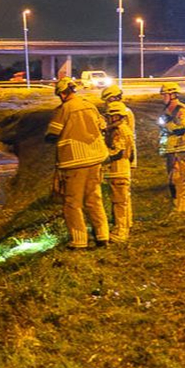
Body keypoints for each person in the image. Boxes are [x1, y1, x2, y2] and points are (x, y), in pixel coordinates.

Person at [43, 77, 110, 249]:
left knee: (72, 203)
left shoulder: (65, 109)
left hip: (75, 161)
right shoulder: (89, 105)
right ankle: (103, 235)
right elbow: (102, 126)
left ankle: (79, 241)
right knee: (94, 199)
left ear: (63, 94)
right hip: (96, 158)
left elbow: (52, 134)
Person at [100, 85, 135, 241]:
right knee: (123, 199)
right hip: (123, 167)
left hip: (119, 169)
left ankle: (121, 231)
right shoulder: (121, 125)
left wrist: (102, 155)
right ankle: (126, 224)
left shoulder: (120, 128)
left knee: (119, 201)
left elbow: (118, 150)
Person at [158, 81, 185, 211]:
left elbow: (182, 127)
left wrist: (167, 126)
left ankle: (182, 207)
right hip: (170, 149)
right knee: (171, 179)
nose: (163, 97)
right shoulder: (165, 111)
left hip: (182, 147)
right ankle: (175, 204)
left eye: (164, 95)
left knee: (180, 178)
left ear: (172, 95)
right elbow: (162, 131)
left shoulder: (182, 109)